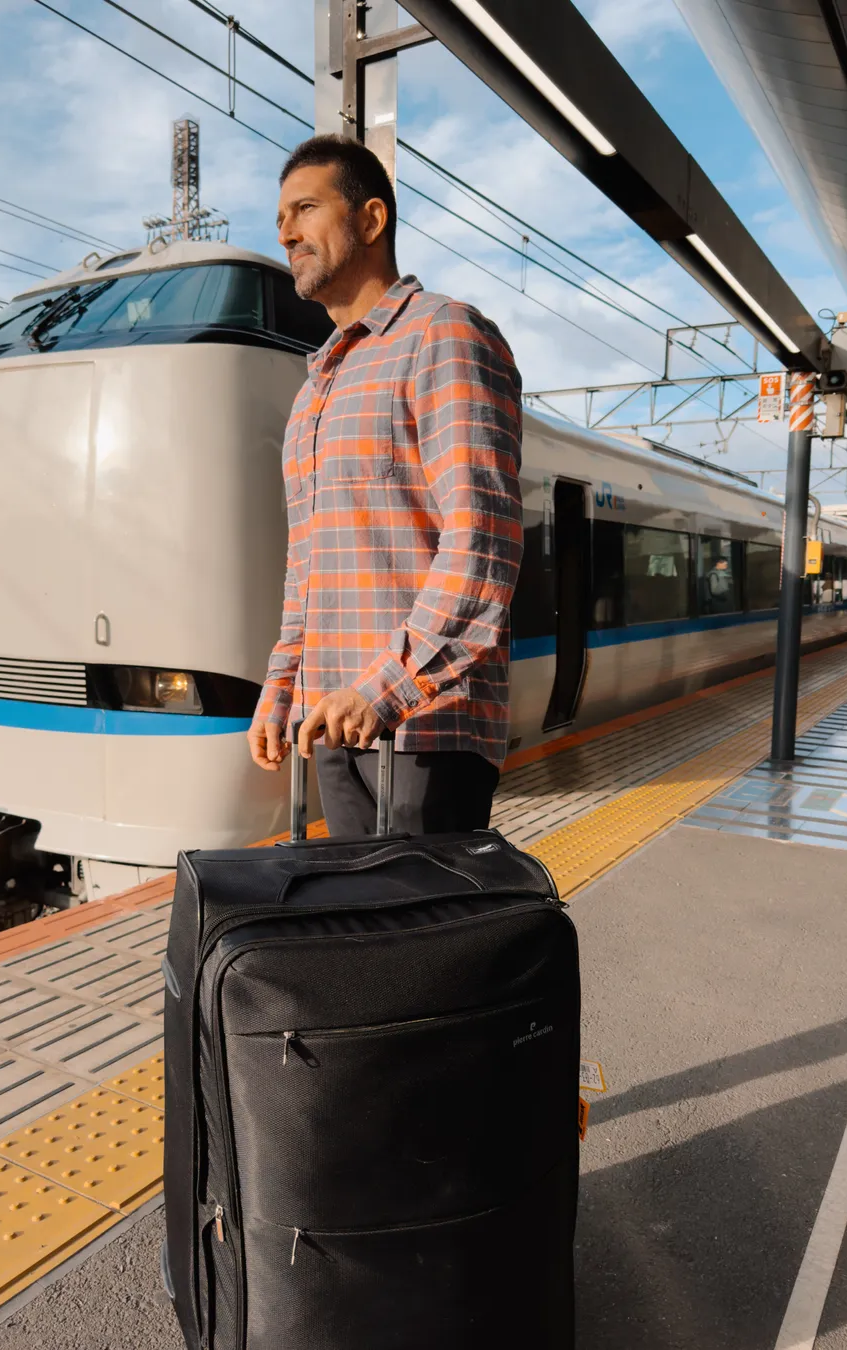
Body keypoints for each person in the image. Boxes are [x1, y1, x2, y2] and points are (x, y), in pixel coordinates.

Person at [246, 134, 524, 835]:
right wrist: (282, 687)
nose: (286, 232)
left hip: (427, 729)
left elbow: (483, 544)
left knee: (428, 939)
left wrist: (385, 689)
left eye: (306, 208)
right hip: (334, 723)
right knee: (365, 938)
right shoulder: (315, 389)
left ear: (371, 221)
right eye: (281, 217)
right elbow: (307, 566)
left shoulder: (445, 337)